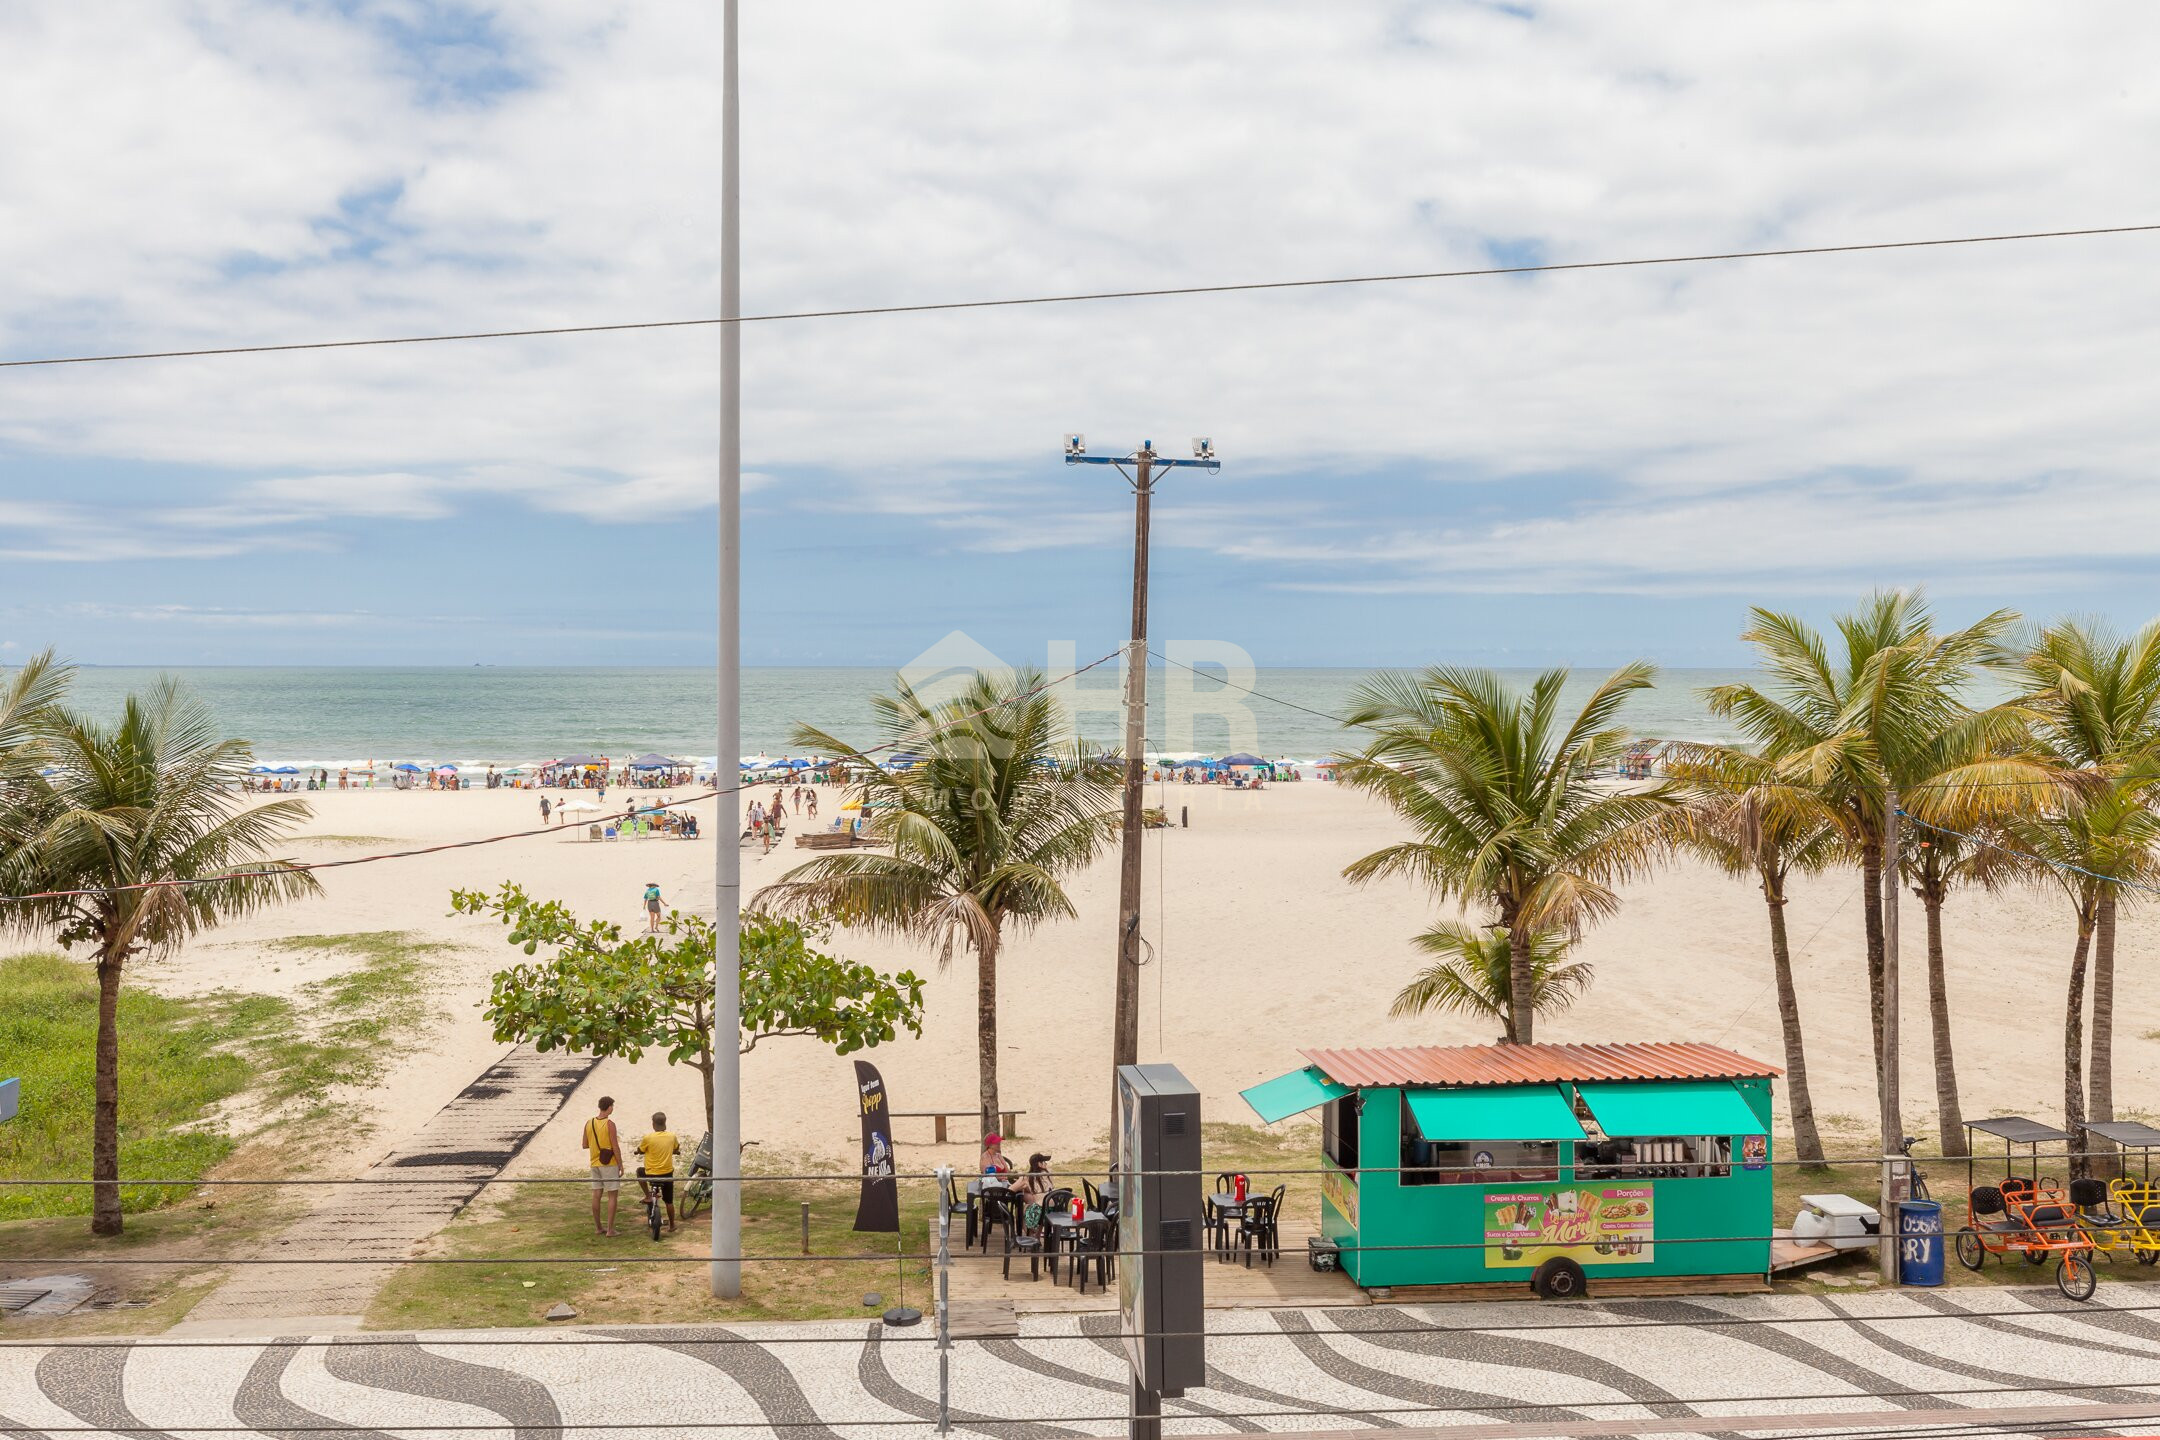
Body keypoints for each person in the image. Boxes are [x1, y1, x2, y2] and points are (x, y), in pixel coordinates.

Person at [582, 1095, 623, 1236]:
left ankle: (599, 1227)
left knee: (596, 1195)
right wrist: (620, 1164)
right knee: (612, 1195)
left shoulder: (589, 1123)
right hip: (609, 1163)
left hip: (594, 1162)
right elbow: (615, 1146)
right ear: (609, 1107)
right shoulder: (609, 1124)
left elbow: (585, 1144)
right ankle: (610, 1229)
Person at [635, 1111, 679, 1233]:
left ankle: (648, 1196)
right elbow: (676, 1148)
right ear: (665, 1123)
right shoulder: (672, 1136)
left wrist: (638, 1151)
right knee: (669, 1201)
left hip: (651, 1174)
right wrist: (674, 1151)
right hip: (667, 1174)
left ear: (653, 1124)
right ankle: (672, 1225)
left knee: (639, 1172)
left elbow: (640, 1149)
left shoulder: (648, 1138)